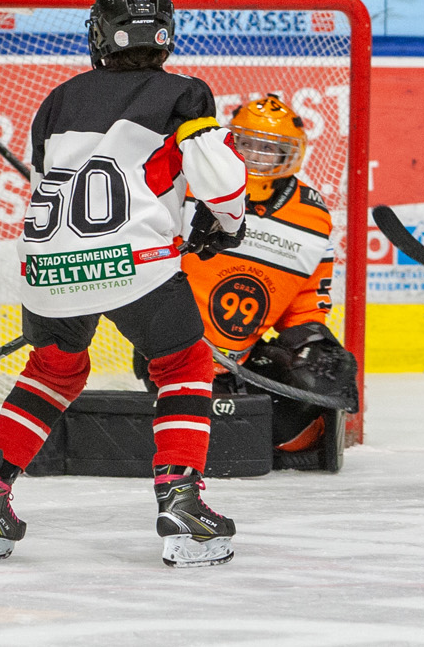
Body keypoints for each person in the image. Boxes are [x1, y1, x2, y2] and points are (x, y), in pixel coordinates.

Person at [0, 0, 249, 568]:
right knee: (183, 364)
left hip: (45, 266)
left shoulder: (57, 99)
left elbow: (54, 184)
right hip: (133, 263)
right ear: (164, 34)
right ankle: (182, 501)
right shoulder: (185, 94)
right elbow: (219, 177)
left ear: (100, 34)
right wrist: (228, 222)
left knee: (55, 369)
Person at [134, 94, 359, 469]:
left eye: (268, 148)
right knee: (216, 442)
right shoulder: (188, 184)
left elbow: (306, 301)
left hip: (244, 358)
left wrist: (309, 343)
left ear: (289, 154)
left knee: (297, 431)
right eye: (247, 143)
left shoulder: (312, 216)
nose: (255, 155)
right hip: (174, 352)